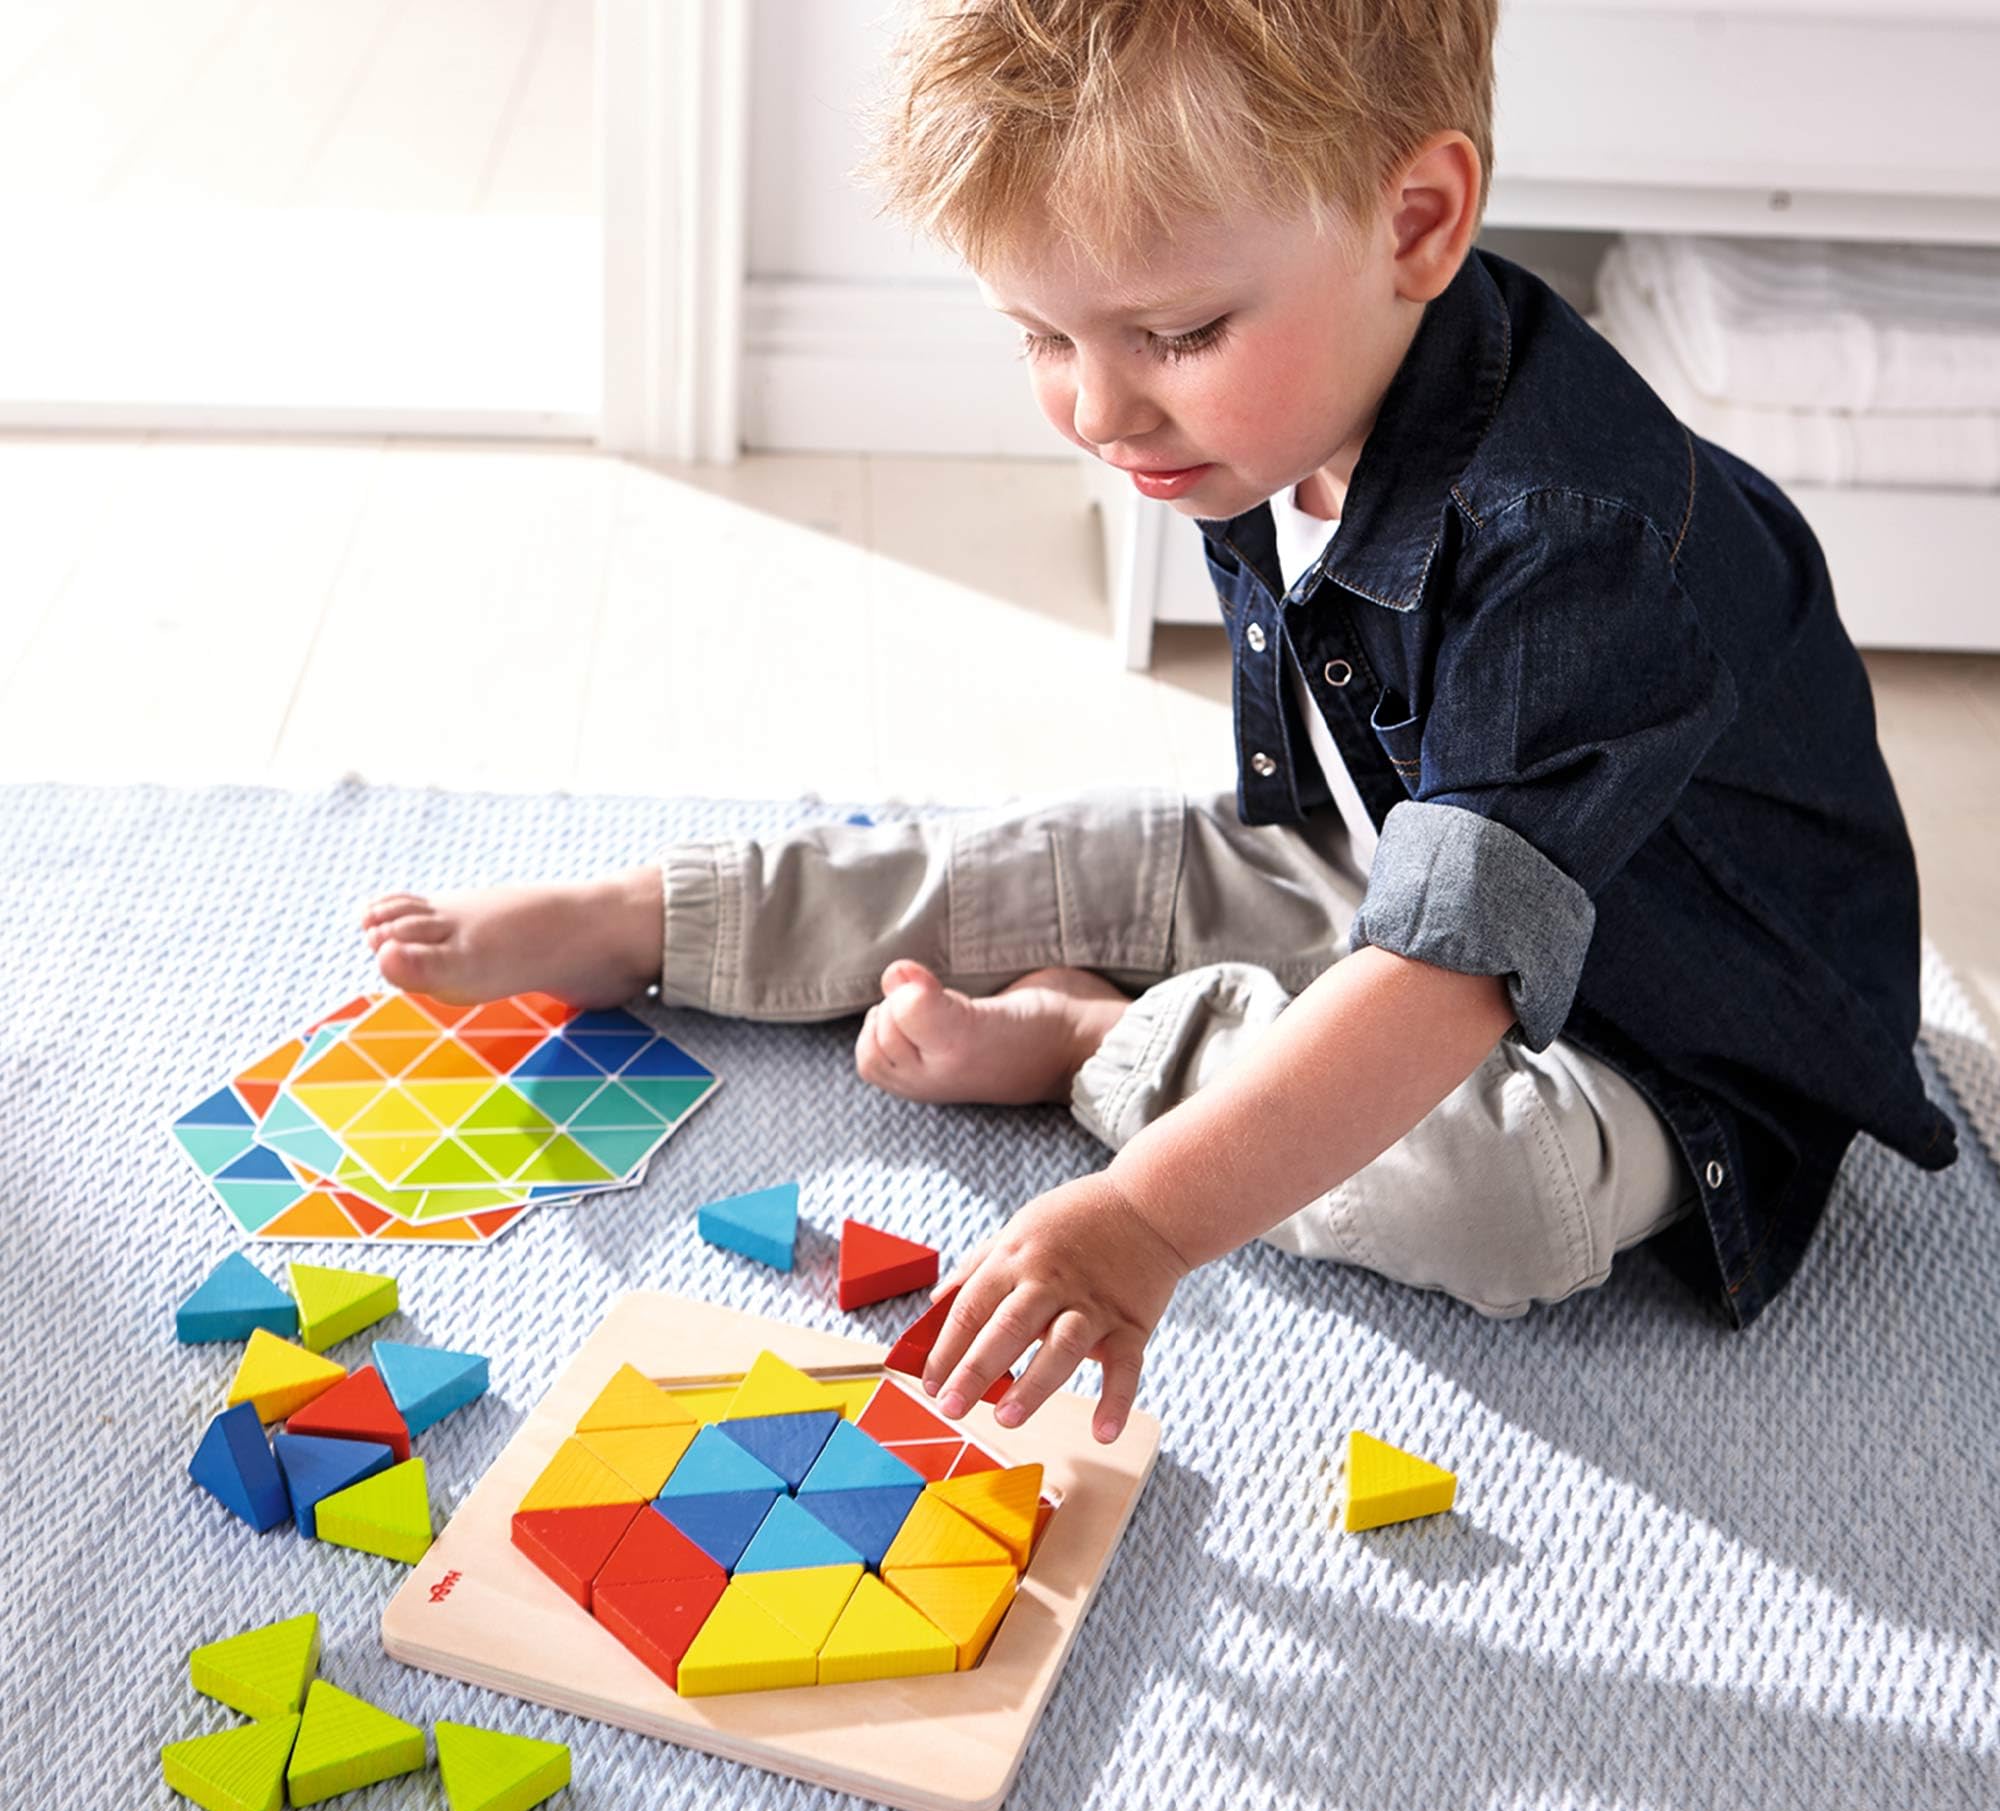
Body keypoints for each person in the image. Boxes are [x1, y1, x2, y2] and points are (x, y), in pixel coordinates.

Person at [360, 0, 1955, 1447]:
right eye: (1044, 338)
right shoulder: (1291, 386)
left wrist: (1140, 1221)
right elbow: (1318, 844)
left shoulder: (1575, 541)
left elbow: (1445, 986)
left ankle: (1102, 1043)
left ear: (1418, 222)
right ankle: (667, 923)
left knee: (1498, 1200)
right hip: (1402, 862)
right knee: (1103, 857)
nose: (1101, 410)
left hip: (1671, 1045)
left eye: (1176, 339)